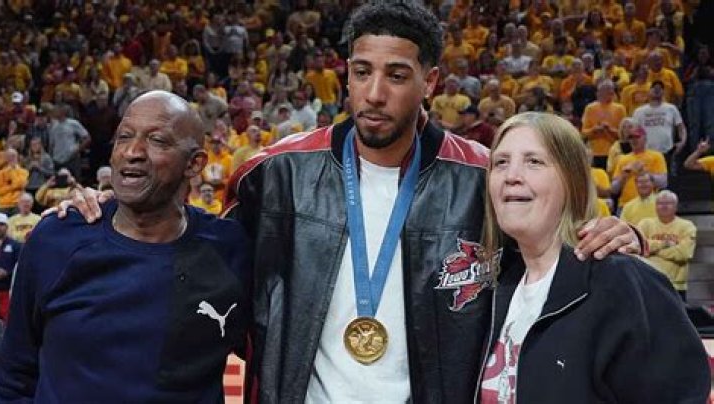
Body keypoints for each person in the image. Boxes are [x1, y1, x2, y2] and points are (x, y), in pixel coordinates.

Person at [52, 4, 639, 403]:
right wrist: (113, 205)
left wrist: (619, 236)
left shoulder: (482, 176)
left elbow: (553, 253)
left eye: (397, 75)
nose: (375, 93)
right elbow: (189, 242)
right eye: (362, 72)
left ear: (431, 82)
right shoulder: (274, 174)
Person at [0, 91, 252, 402]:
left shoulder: (230, 248)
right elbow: (13, 377)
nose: (132, 152)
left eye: (157, 140)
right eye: (124, 137)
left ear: (194, 163)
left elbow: (279, 355)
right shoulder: (57, 239)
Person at [477, 112, 709, 403]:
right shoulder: (494, 286)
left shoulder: (621, 280)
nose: (511, 176)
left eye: (534, 161)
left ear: (572, 180)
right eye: (501, 162)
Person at [638, 190, 697, 301]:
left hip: (676, 285)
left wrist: (653, 250)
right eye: (660, 203)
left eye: (668, 203)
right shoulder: (645, 224)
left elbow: (684, 254)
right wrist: (665, 244)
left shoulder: (687, 226)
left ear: (676, 207)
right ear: (655, 206)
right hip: (649, 282)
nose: (664, 206)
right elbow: (639, 247)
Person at [0, 212, 21, 321]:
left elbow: (20, 266)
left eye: (1, 224)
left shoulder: (16, 245)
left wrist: (7, 273)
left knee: (8, 321)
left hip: (8, 291)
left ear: (7, 226)